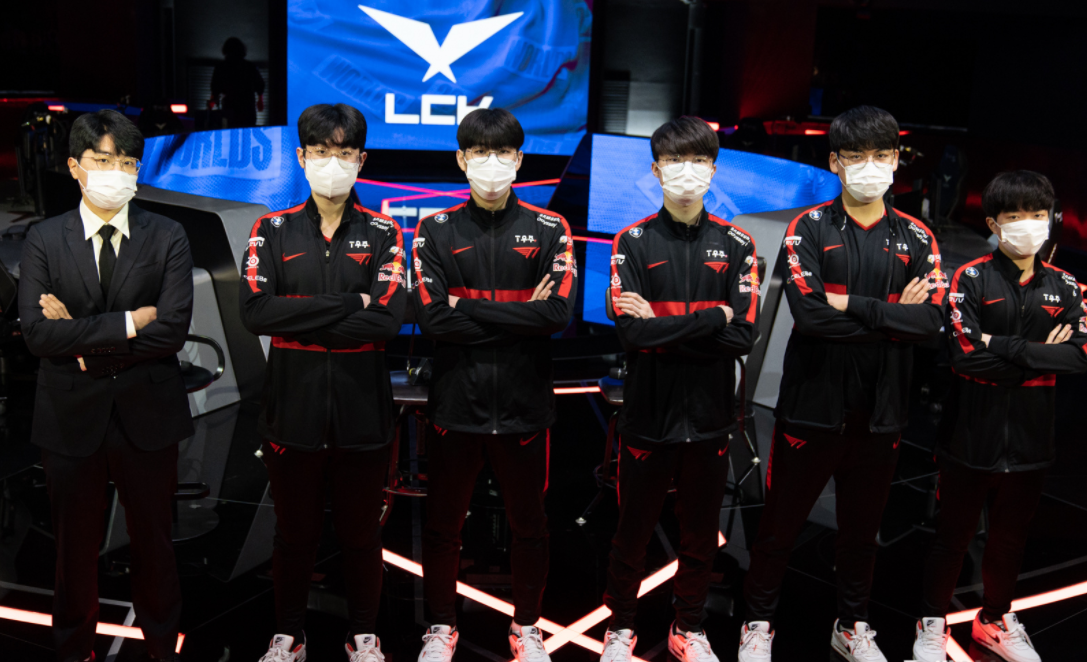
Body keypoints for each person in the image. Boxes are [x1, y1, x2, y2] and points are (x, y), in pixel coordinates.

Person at [738, 106, 946, 662]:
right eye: (856, 156)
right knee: (778, 529)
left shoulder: (918, 236)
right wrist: (892, 317)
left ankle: (852, 625)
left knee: (861, 535)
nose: (869, 166)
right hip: (811, 407)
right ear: (835, 162)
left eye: (880, 155)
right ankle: (758, 623)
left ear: (896, 160)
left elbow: (930, 323)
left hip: (881, 415)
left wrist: (850, 304)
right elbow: (810, 318)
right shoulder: (807, 229)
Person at [18, 109, 194, 662]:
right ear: (75, 166)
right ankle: (74, 649)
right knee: (73, 547)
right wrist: (128, 323)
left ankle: (162, 647)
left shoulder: (167, 235)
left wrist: (78, 338)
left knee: (155, 542)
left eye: (128, 162)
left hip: (149, 409)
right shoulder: (44, 238)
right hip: (70, 413)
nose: (117, 172)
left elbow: (171, 331)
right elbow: (38, 335)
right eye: (103, 160)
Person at [239, 103, 406, 662]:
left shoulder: (384, 232)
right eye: (320, 151)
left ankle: (365, 636)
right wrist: (350, 303)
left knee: (361, 535)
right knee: (294, 535)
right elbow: (255, 312)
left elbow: (388, 319)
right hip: (292, 411)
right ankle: (288, 636)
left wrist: (298, 313)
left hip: (364, 414)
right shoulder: (271, 229)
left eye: (343, 152)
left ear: (361, 159)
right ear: (301, 156)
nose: (332, 163)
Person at [411, 108, 578, 662]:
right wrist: (519, 314)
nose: (492, 163)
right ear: (462, 160)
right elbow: (432, 320)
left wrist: (465, 305)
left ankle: (526, 626)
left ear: (519, 159)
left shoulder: (551, 228)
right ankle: (441, 626)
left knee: (530, 526)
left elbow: (556, 316)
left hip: (525, 406)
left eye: (502, 152)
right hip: (455, 404)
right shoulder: (434, 230)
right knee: (443, 527)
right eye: (480, 153)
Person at [599, 116, 760, 662]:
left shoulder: (737, 244)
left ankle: (688, 627)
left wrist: (666, 327)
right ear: (656, 170)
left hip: (711, 417)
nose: (686, 172)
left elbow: (742, 336)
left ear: (713, 170)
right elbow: (632, 334)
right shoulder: (633, 241)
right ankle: (620, 627)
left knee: (700, 535)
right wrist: (712, 316)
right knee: (632, 532)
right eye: (674, 161)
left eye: (697, 161)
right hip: (647, 415)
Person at [911, 171, 1083, 662]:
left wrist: (999, 345)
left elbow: (1080, 356)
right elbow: (966, 357)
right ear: (993, 223)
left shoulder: (1068, 286)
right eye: (1014, 215)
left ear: (1050, 219)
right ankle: (930, 623)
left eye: (1036, 214)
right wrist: (1040, 354)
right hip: (969, 437)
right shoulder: (970, 278)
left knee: (1010, 540)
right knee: (952, 538)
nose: (1027, 224)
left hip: (1031, 440)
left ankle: (994, 621)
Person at [210, 37, 265, 128]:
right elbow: (260, 86)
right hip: (247, 109)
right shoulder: (249, 67)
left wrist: (210, 106)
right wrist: (260, 100)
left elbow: (215, 89)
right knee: (246, 132)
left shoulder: (221, 67)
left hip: (230, 109)